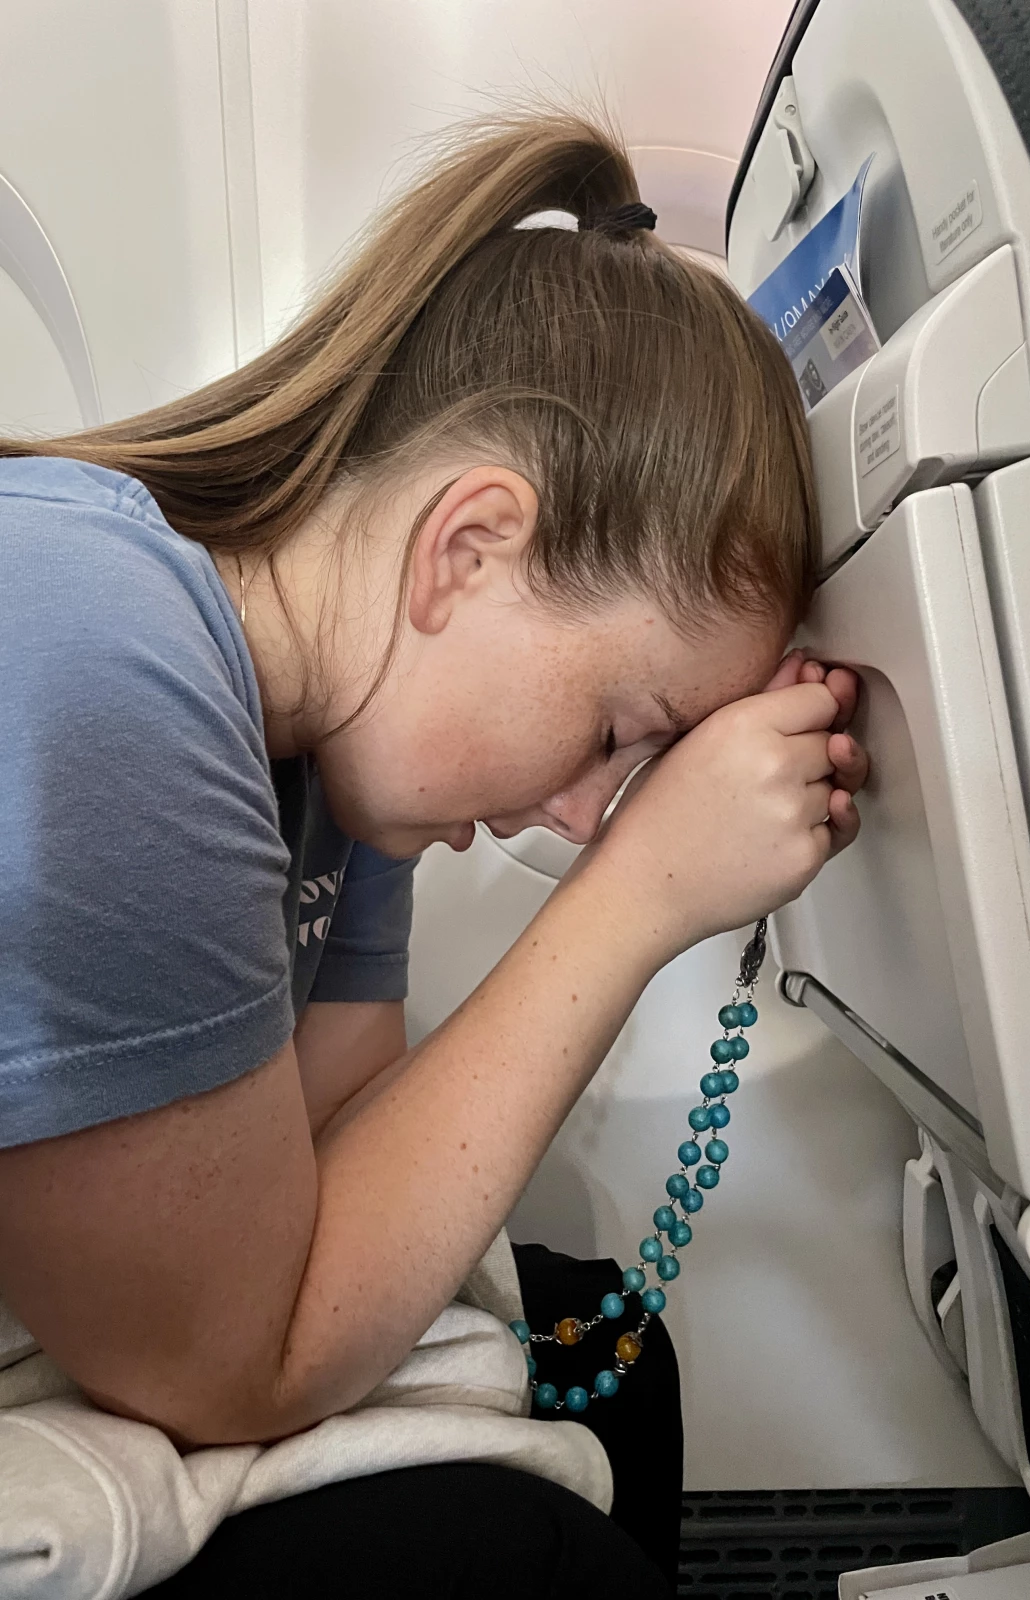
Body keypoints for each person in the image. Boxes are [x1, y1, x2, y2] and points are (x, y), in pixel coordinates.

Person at [0, 112, 867, 1597]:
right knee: (512, 1560)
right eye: (617, 727)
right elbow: (235, 1364)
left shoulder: (340, 771)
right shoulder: (98, 650)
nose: (596, 808)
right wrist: (642, 891)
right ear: (466, 548)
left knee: (612, 1351)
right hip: (182, 1348)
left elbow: (331, 1172)